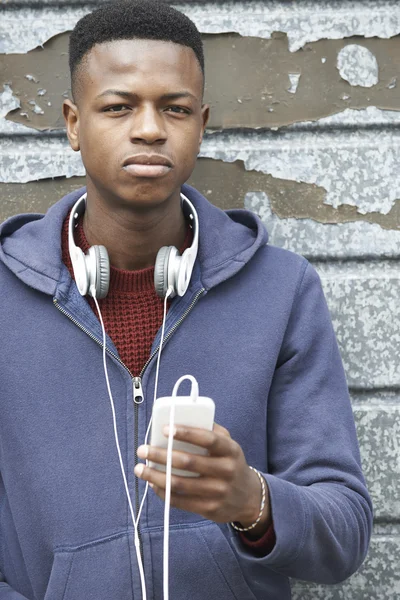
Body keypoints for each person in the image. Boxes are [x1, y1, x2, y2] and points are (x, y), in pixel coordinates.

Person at [0, 1, 373, 599]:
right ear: (73, 123)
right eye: (118, 106)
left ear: (201, 123)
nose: (149, 128)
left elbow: (345, 534)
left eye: (173, 108)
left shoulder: (283, 292)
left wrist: (251, 500)